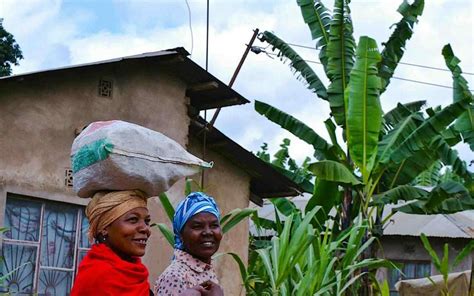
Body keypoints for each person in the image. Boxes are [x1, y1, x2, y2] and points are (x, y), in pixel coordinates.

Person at [71, 190, 153, 296]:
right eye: (133, 219)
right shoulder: (96, 276)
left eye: (147, 221)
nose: (145, 229)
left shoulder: (136, 273)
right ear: (105, 228)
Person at [154, 192, 224, 296]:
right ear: (180, 234)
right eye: (197, 226)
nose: (208, 232)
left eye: (214, 225)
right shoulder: (176, 277)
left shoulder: (205, 269)